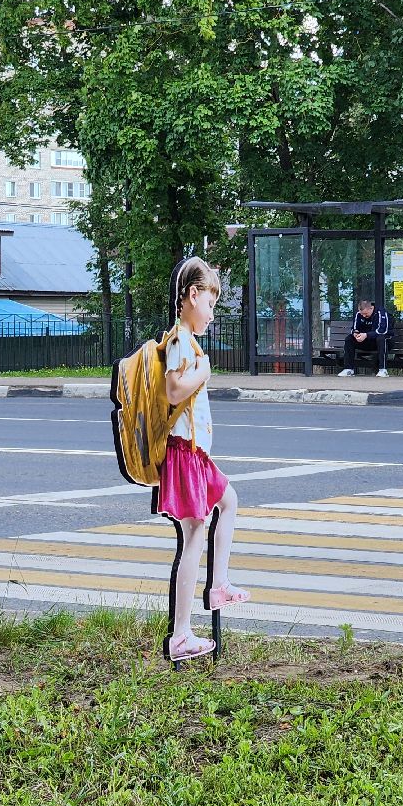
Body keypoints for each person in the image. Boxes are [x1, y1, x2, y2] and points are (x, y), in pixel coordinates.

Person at [159, 256, 250, 661]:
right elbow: (174, 391)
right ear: (192, 295)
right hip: (185, 455)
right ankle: (181, 634)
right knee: (195, 535)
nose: (213, 314)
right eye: (211, 304)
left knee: (229, 501)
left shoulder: (186, 339)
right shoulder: (179, 339)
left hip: (192, 454)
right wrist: (205, 371)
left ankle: (219, 586)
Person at [337, 298, 392, 377]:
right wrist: (355, 334)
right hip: (366, 341)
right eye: (362, 314)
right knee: (349, 339)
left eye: (366, 313)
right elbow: (354, 329)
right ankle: (348, 369)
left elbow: (382, 331)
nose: (364, 316)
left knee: (381, 339)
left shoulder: (381, 313)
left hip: (381, 342)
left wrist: (366, 335)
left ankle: (383, 370)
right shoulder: (359, 314)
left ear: (371, 308)